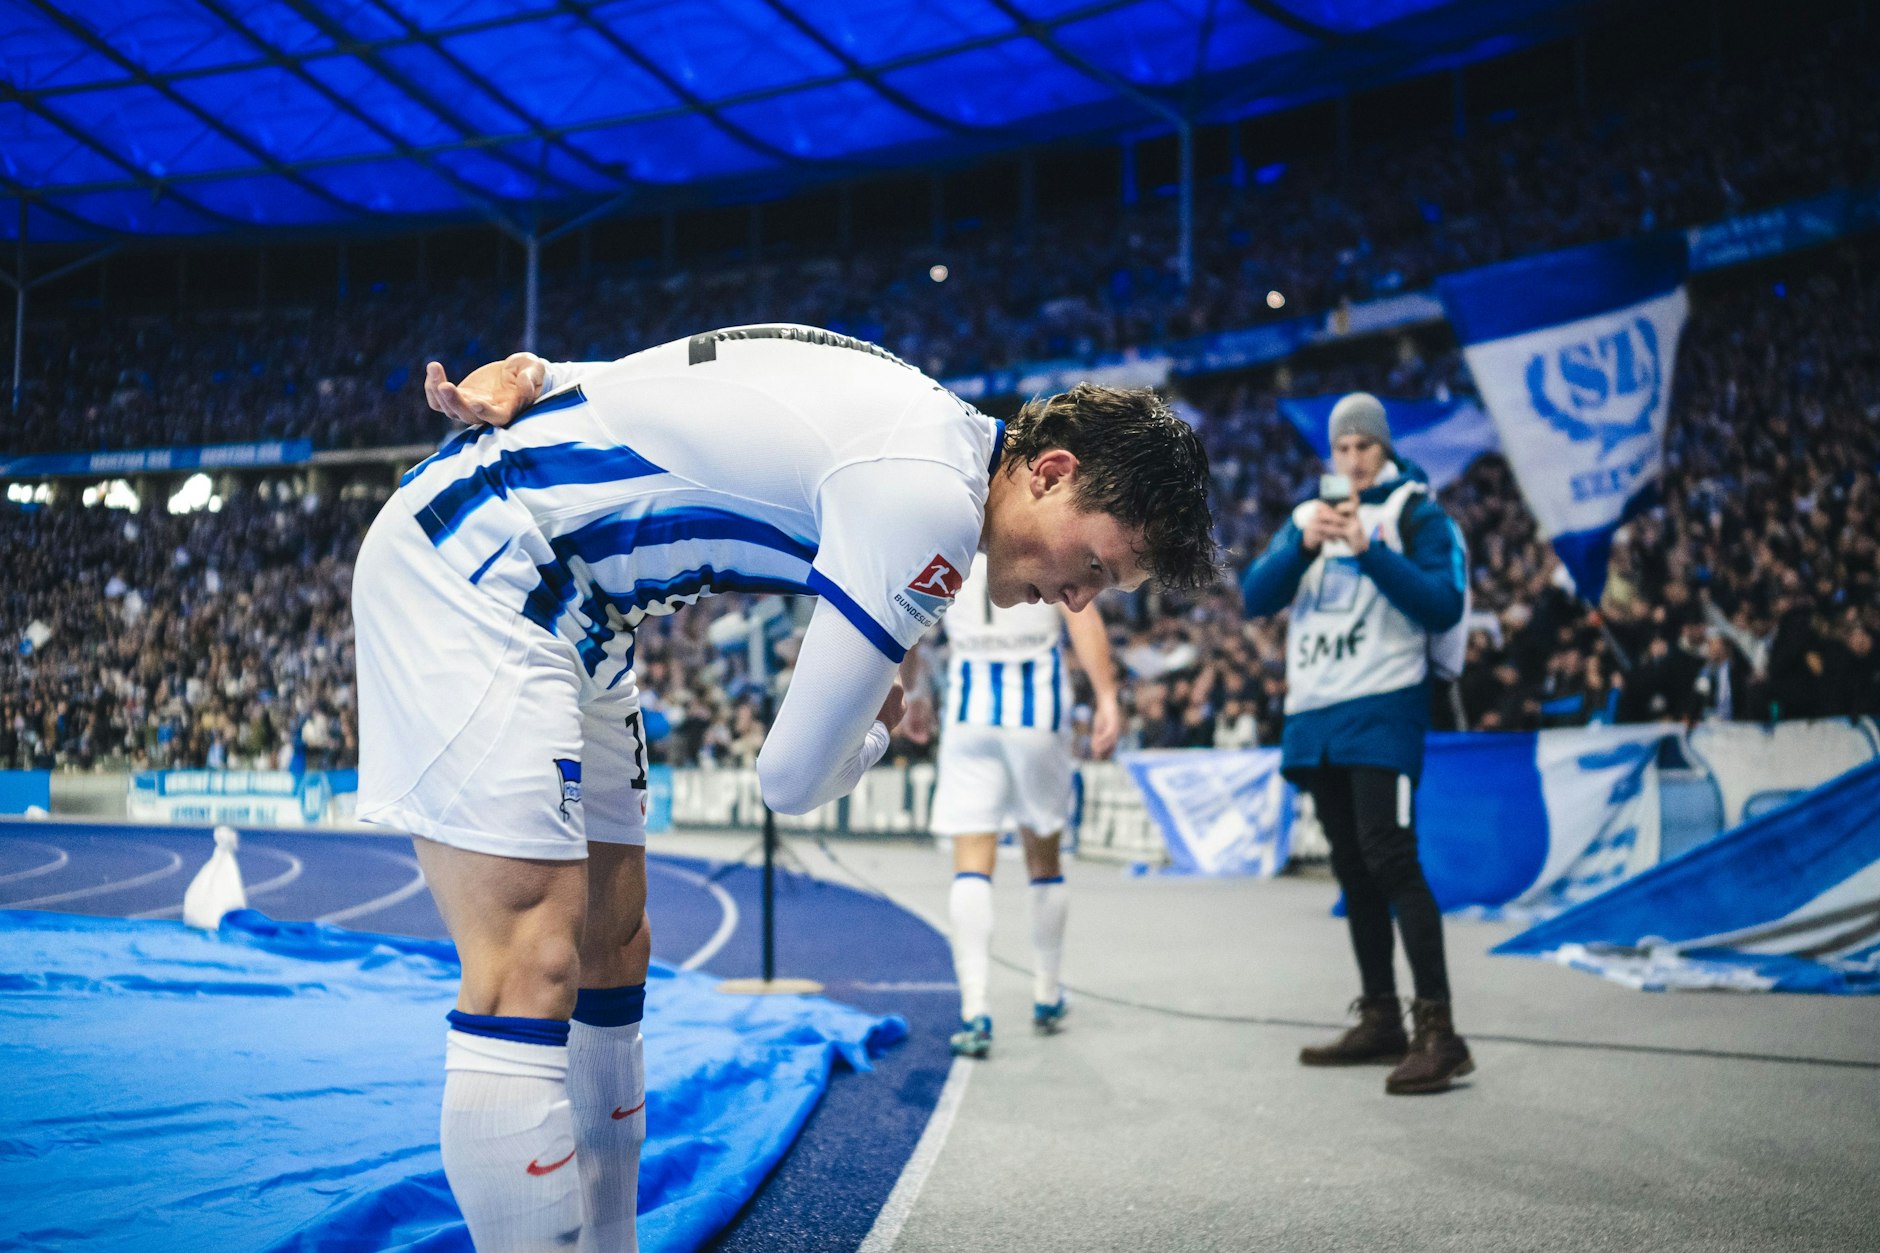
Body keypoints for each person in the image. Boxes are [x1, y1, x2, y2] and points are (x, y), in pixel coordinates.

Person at [353, 326, 1216, 1250]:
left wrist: (541, 371)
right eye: (1094, 566)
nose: (1080, 600)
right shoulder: (931, 503)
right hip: (482, 563)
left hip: (586, 606)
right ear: (1050, 471)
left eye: (1104, 589)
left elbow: (710, 369)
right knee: (531, 964)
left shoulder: (929, 416)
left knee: (614, 945)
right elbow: (792, 779)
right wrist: (877, 732)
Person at [1239, 392, 1472, 1096]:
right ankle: (1381, 1017)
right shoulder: (1308, 515)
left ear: (1385, 448)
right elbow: (1256, 596)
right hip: (1318, 715)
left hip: (1383, 708)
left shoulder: (1416, 513)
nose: (1352, 459)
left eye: (1363, 446)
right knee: (1354, 870)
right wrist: (1306, 542)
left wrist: (1368, 551)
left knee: (1392, 859)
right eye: (1341, 448)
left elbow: (1443, 603)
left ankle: (1440, 1029)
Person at [909, 552, 1122, 1059]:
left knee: (971, 862)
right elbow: (1081, 615)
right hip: (1037, 709)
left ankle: (975, 1010)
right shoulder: (1039, 534)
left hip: (970, 709)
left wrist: (915, 693)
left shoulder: (952, 536)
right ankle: (1047, 993)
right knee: (1043, 858)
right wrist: (1108, 696)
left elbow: (912, 620)